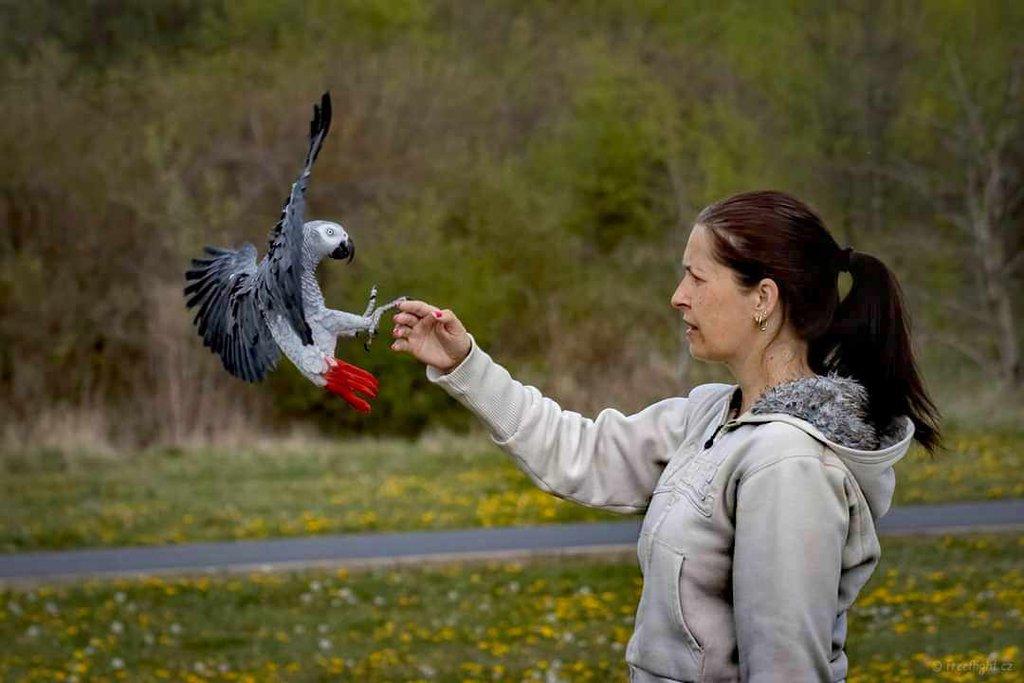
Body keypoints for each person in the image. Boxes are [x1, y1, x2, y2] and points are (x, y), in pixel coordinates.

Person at [389, 189, 942, 682]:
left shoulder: (787, 464)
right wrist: (466, 365)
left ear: (763, 299)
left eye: (697, 278)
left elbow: (786, 669)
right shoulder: (706, 417)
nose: (678, 296)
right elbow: (579, 454)